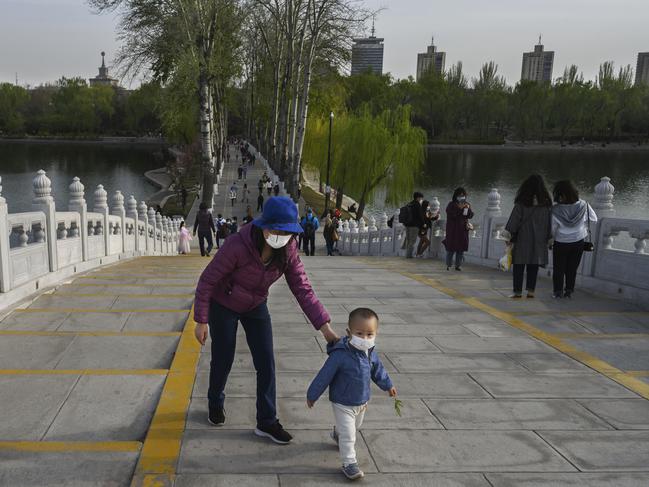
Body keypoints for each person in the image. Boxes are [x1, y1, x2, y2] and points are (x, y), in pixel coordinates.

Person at [193, 196, 339, 445]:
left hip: (256, 304)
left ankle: (267, 421)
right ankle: (215, 401)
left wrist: (325, 328)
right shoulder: (237, 245)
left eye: (287, 231)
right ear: (264, 226)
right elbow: (207, 280)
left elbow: (303, 289)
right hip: (224, 304)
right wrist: (201, 320)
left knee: (266, 361)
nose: (281, 235)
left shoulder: (289, 249)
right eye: (276, 229)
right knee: (223, 357)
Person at [307, 308, 397, 481]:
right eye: (359, 333)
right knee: (350, 436)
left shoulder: (370, 353)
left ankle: (338, 433)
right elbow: (325, 375)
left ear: (376, 333)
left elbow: (378, 371)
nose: (365, 338)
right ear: (349, 333)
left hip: (362, 401)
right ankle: (349, 463)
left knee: (354, 427)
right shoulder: (340, 354)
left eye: (370, 334)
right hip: (342, 402)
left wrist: (388, 385)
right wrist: (313, 394)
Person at [505, 175, 553, 298]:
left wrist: (508, 237)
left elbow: (513, 222)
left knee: (519, 265)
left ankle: (517, 292)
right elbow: (550, 224)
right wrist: (549, 238)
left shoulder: (522, 203)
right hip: (539, 241)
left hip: (522, 240)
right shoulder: (547, 205)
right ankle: (531, 291)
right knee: (533, 266)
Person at [551, 180, 598, 299]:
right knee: (572, 268)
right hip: (578, 241)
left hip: (561, 242)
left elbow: (552, 228)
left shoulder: (555, 210)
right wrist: (582, 226)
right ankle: (569, 291)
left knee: (559, 268)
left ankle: (558, 292)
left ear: (560, 194)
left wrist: (550, 239)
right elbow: (594, 219)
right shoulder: (584, 205)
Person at [442, 187, 474, 271]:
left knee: (460, 249)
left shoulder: (466, 204)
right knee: (451, 248)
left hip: (462, 230)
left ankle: (458, 265)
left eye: (463, 195)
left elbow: (469, 216)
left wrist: (468, 209)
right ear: (456, 196)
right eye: (460, 195)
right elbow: (452, 215)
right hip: (453, 230)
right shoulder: (451, 204)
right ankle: (448, 265)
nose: (461, 197)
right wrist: (460, 209)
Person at [401, 192, 425, 259]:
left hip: (407, 224)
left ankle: (407, 255)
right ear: (418, 197)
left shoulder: (409, 204)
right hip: (414, 225)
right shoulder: (417, 204)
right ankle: (409, 256)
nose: (421, 199)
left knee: (409, 240)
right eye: (420, 198)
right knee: (412, 241)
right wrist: (423, 224)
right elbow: (420, 216)